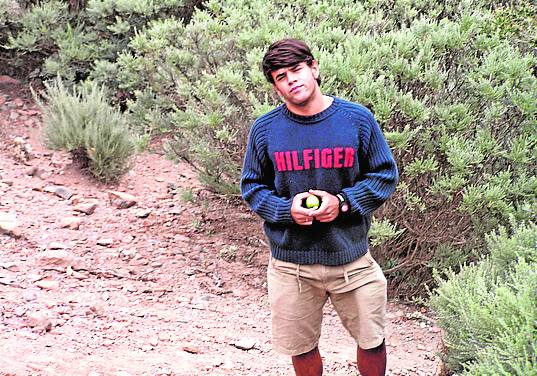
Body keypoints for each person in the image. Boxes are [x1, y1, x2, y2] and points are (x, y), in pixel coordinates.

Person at [240, 38, 398, 376]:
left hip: (351, 256)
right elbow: (252, 187)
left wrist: (341, 204)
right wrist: (287, 211)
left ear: (313, 68)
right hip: (290, 263)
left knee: (372, 340)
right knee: (301, 346)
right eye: (280, 76)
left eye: (296, 70)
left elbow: (384, 175)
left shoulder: (356, 119)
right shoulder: (265, 130)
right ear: (275, 86)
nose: (291, 80)